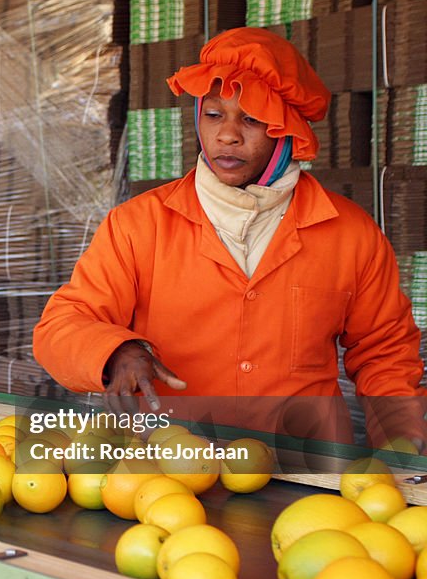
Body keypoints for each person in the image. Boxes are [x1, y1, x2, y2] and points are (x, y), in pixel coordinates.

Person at [32, 27, 425, 451]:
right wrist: (112, 351)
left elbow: (384, 353)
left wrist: (403, 447)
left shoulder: (351, 234)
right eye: (214, 114)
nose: (227, 135)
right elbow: (61, 327)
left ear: (286, 129)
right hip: (168, 469)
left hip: (306, 472)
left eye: (252, 118)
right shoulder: (138, 225)